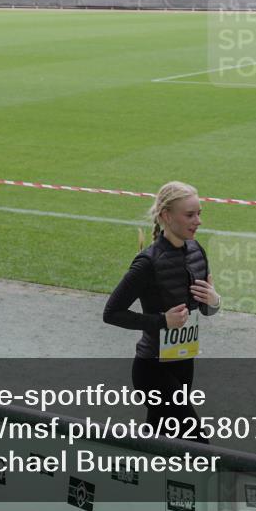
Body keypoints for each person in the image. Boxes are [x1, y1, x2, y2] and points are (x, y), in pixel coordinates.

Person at [103, 181, 221, 443]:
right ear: (167, 216)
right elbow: (111, 312)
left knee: (162, 443)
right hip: (152, 370)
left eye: (199, 213)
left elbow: (203, 308)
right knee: (198, 442)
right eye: (190, 215)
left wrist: (214, 301)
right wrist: (162, 321)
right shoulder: (148, 262)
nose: (198, 221)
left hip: (183, 364)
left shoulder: (197, 252)